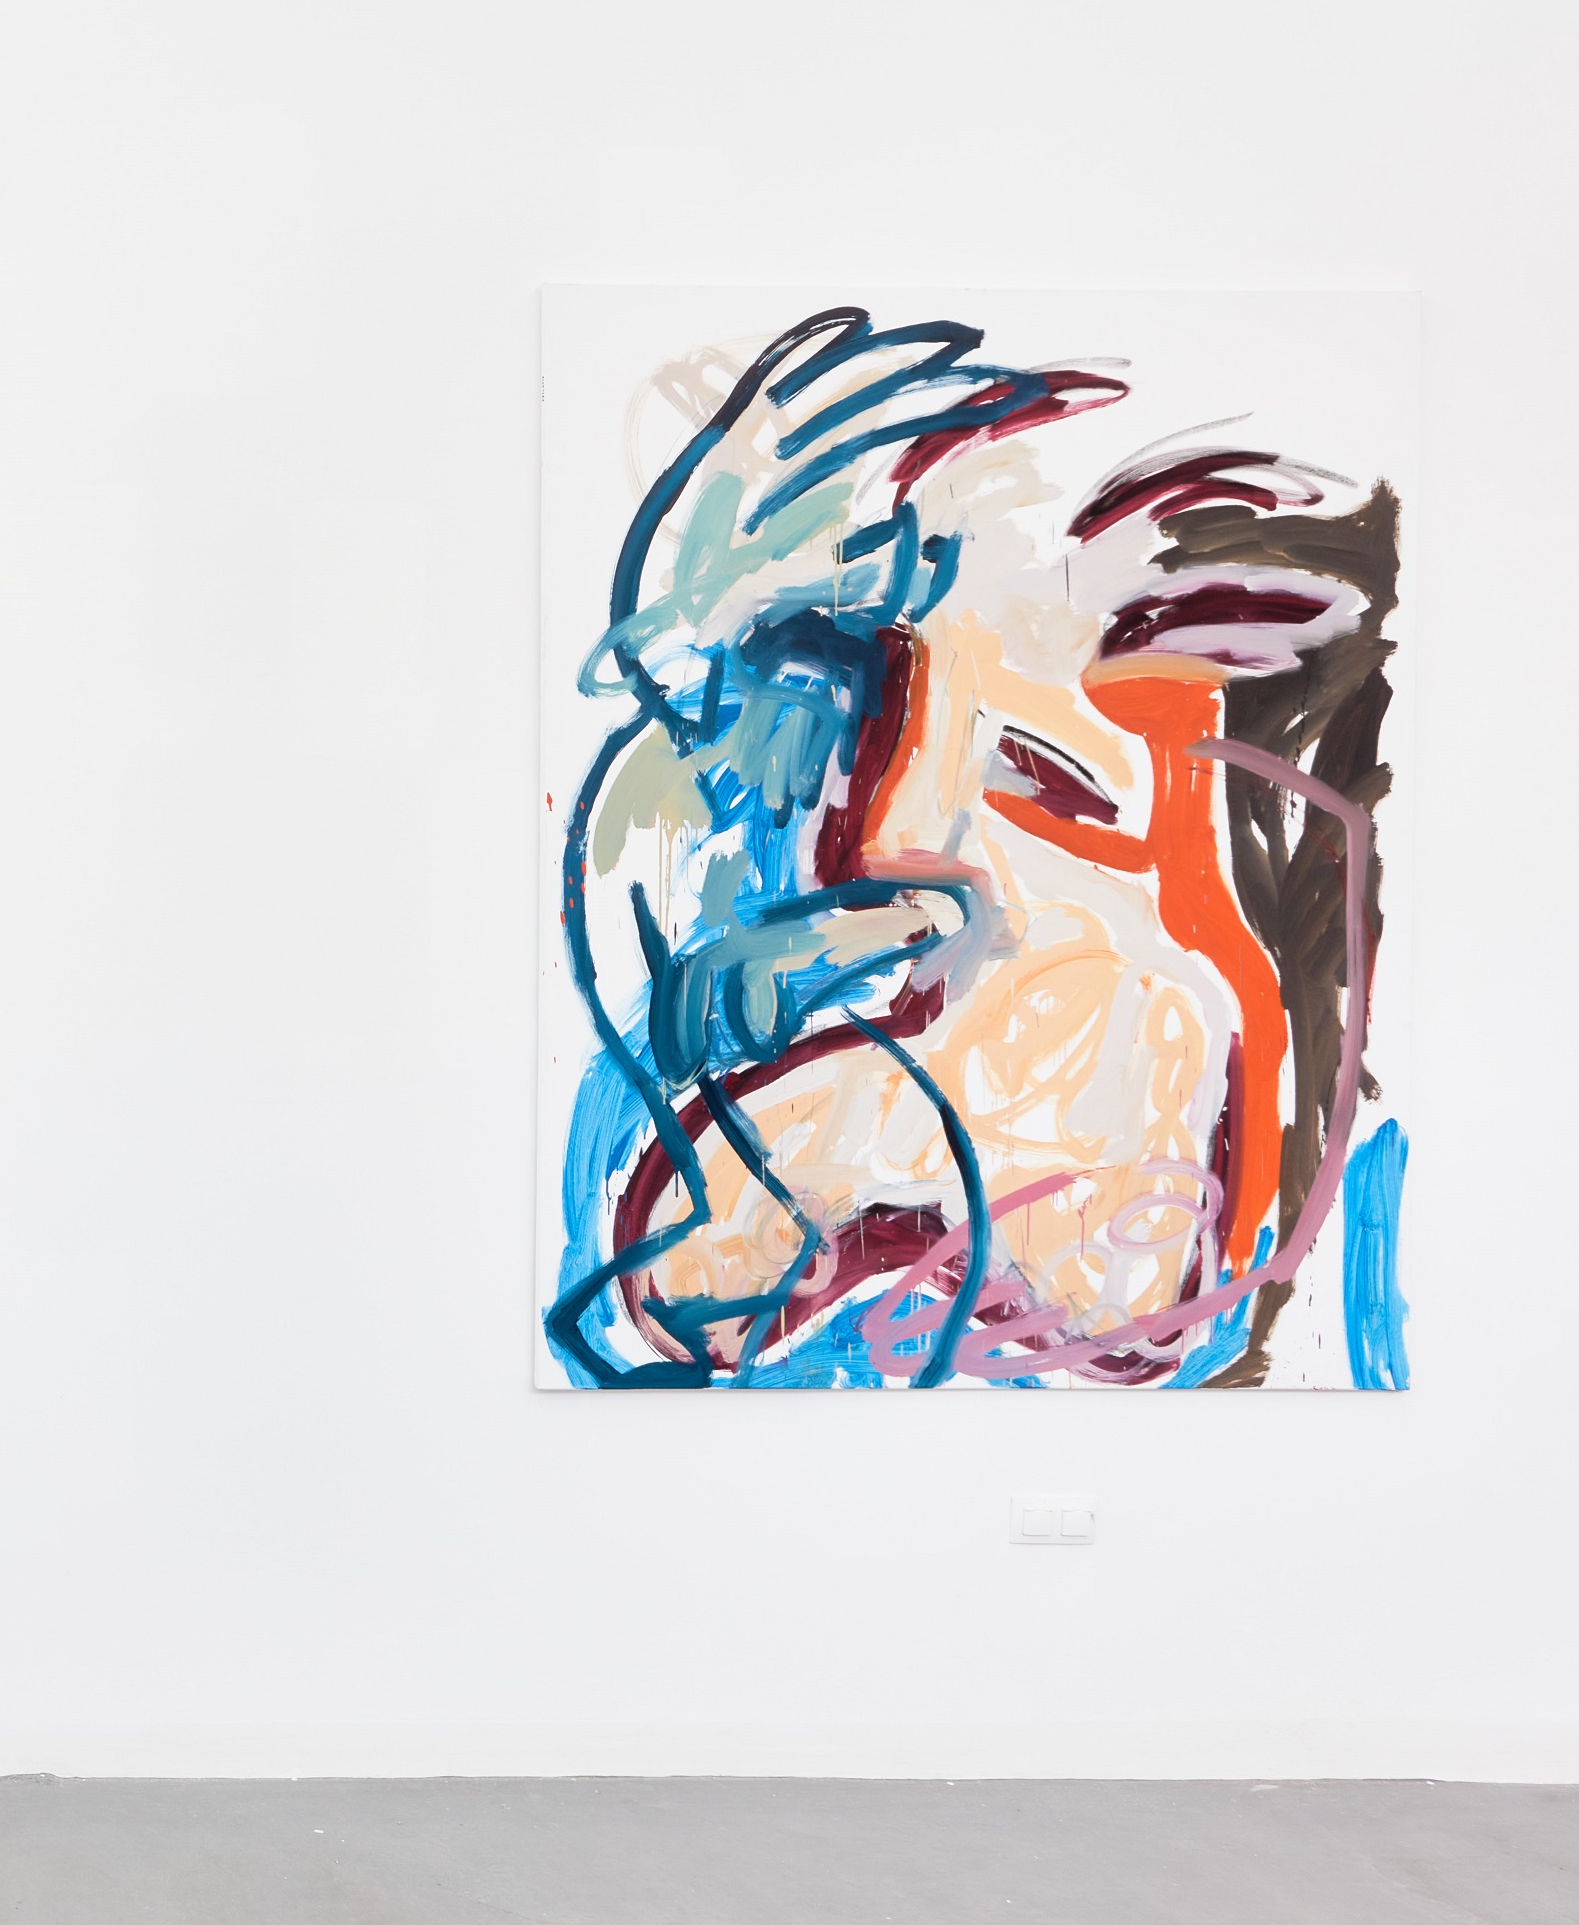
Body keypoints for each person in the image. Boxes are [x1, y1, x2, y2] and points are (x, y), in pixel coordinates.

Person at [551, 310, 1395, 1388]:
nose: (876, 832)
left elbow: (1157, 927)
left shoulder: (1135, 1007)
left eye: (1030, 770)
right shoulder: (905, 1084)